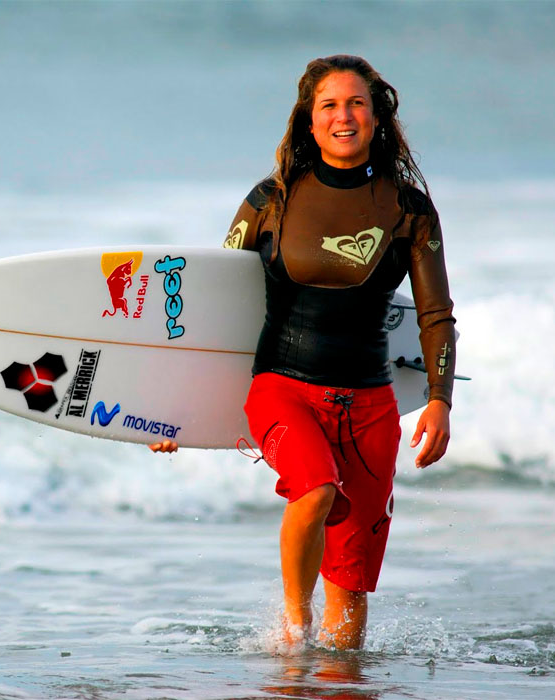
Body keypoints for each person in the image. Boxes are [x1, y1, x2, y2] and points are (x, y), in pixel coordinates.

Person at [151, 55, 455, 650]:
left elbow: (435, 313)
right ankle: (294, 632)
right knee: (316, 490)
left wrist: (440, 401)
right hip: (283, 387)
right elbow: (217, 307)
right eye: (329, 106)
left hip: (370, 408)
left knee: (350, 595)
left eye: (357, 103)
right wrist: (173, 407)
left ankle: (333, 680)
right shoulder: (272, 199)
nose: (344, 116)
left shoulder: (410, 210)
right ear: (309, 122)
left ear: (378, 118)